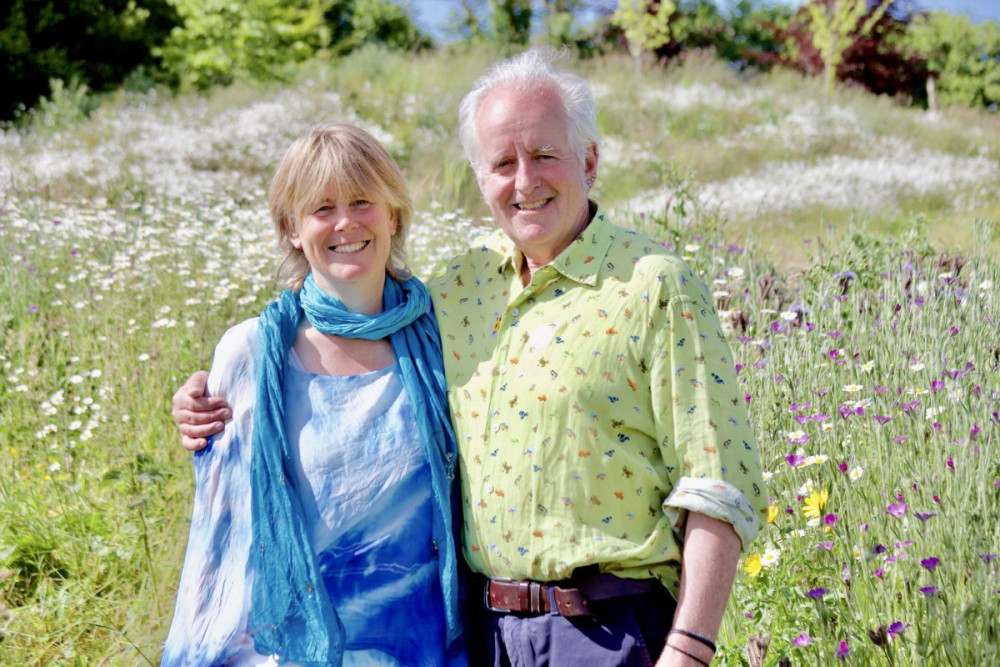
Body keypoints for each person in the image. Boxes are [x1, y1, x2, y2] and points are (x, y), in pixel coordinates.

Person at [173, 48, 767, 667]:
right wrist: (199, 401)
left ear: (589, 161)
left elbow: (716, 484)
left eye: (543, 155)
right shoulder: (457, 294)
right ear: (481, 178)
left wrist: (690, 650)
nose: (525, 181)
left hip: (606, 631)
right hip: (481, 636)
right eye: (503, 162)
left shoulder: (654, 286)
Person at [161, 123, 465, 667]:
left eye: (363, 201)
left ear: (393, 215)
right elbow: (220, 540)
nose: (346, 222)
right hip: (286, 653)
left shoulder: (442, 340)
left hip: (415, 645)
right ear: (293, 229)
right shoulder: (252, 353)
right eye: (322, 208)